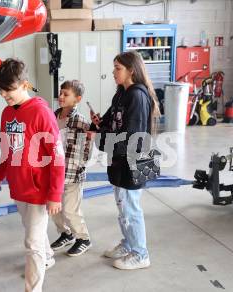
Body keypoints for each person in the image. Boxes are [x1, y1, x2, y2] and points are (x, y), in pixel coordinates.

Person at [0, 58, 65, 292]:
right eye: (0, 90)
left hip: (39, 191)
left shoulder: (42, 113)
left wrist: (55, 194)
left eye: (8, 89)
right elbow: (7, 149)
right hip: (19, 187)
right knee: (34, 232)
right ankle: (47, 257)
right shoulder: (7, 113)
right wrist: (0, 174)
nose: (3, 94)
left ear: (24, 84)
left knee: (32, 243)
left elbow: (57, 157)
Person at [89, 51, 160, 270]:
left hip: (134, 161)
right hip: (120, 160)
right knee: (123, 207)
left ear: (131, 70)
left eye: (118, 68)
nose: (113, 72)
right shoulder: (121, 93)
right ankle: (129, 243)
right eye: (114, 67)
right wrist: (99, 125)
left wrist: (100, 138)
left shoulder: (137, 96)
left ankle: (141, 254)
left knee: (131, 208)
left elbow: (134, 139)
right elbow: (111, 122)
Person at [50, 80, 92, 257]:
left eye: (66, 94)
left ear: (77, 99)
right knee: (54, 208)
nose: (61, 97)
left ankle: (83, 238)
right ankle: (66, 234)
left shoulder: (81, 122)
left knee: (70, 210)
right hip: (54, 172)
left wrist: (79, 168)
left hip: (72, 174)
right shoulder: (53, 116)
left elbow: (86, 151)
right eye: (60, 93)